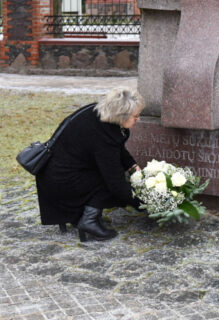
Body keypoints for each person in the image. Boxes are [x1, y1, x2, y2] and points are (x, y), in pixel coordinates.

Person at [35, 87, 144, 242]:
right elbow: (115, 183)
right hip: (60, 180)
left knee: (111, 174)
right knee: (110, 181)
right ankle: (89, 220)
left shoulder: (102, 115)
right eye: (136, 116)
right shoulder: (102, 135)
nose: (138, 119)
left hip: (59, 170)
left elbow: (117, 146)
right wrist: (143, 204)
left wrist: (132, 166)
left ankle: (83, 214)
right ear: (122, 116)